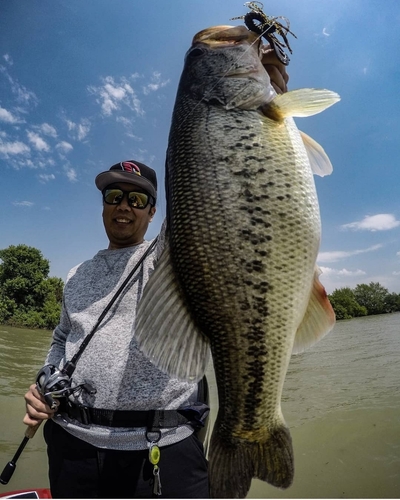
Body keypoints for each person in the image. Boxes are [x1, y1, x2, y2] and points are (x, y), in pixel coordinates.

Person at [23, 48, 289, 499]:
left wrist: (264, 97)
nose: (124, 205)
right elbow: (59, 338)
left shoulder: (174, 250)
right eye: (114, 196)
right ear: (103, 206)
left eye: (138, 199)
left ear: (153, 213)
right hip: (70, 448)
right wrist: (43, 382)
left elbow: (217, 194)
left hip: (160, 453)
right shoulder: (75, 275)